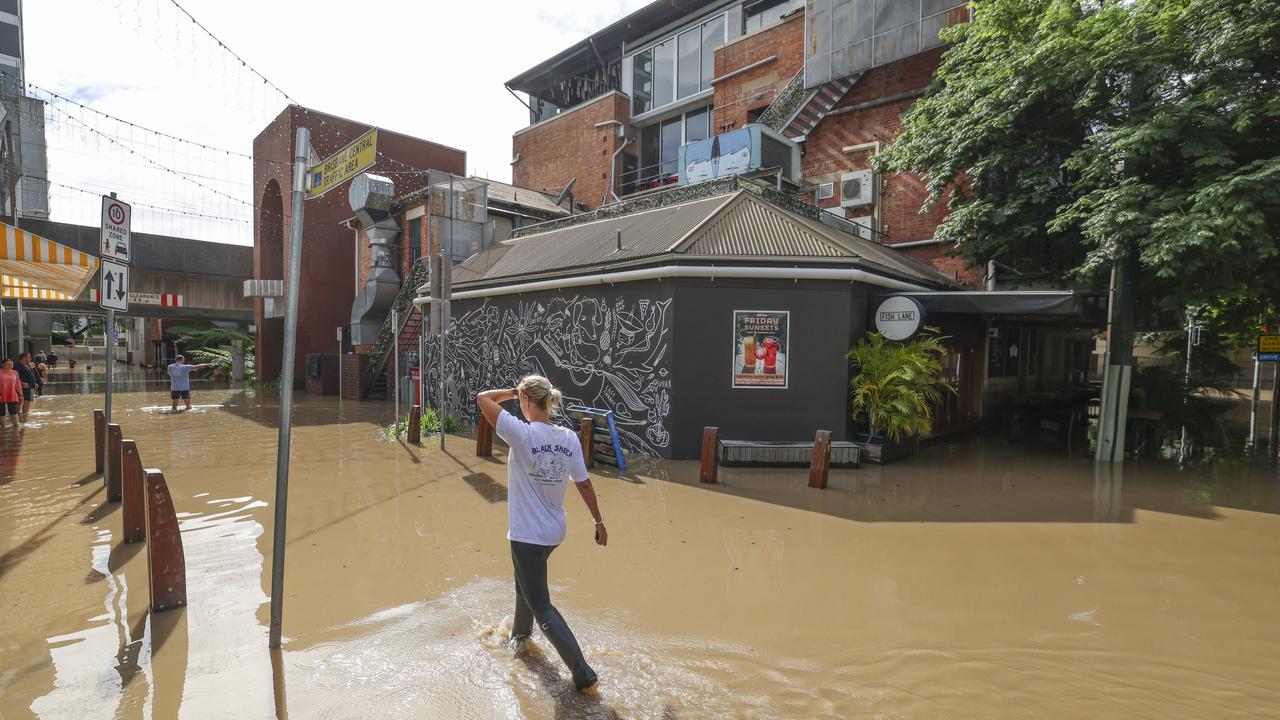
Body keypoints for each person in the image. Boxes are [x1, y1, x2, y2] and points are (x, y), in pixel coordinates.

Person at [476, 375, 607, 694]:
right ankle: (520, 639)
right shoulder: (568, 437)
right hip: (552, 532)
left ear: (525, 400)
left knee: (541, 603)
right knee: (524, 587)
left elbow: (483, 399)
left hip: (527, 535)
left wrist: (511, 391)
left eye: (521, 398)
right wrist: (598, 521)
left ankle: (581, 670)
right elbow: (584, 483)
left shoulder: (520, 433)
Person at [15, 353, 38, 421]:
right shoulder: (17, 366)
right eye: (29, 357)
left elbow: (31, 375)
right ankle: (17, 418)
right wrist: (22, 383)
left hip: (29, 387)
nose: (30, 359)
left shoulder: (27, 365)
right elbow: (14, 377)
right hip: (21, 387)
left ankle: (24, 419)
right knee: (19, 403)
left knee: (27, 402)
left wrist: (34, 383)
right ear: (24, 358)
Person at [0, 358, 21, 427]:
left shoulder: (15, 372)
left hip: (12, 394)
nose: (10, 366)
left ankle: (16, 426)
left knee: (13, 411)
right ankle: (3, 427)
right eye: (7, 364)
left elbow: (18, 385)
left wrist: (21, 395)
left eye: (11, 364)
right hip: (1, 395)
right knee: (1, 413)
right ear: (3, 364)